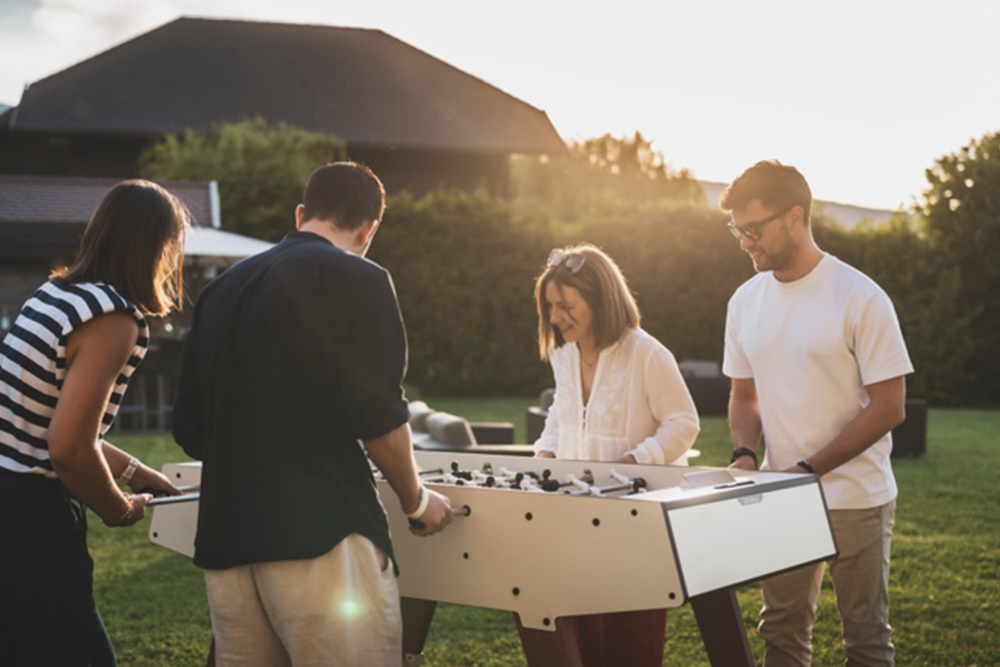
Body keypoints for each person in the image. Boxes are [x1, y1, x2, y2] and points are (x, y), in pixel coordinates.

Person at [172, 161, 453, 667]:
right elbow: (380, 421)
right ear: (369, 229)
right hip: (322, 535)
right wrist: (416, 502)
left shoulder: (219, 291)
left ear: (301, 214)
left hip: (227, 540)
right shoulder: (363, 279)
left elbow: (191, 431)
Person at [721, 160, 911, 667]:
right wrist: (744, 453)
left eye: (754, 229)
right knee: (780, 634)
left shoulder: (860, 297)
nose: (745, 242)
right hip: (783, 495)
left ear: (794, 217)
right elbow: (744, 395)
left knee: (865, 640)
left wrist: (808, 471)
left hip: (857, 498)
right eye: (738, 230)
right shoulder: (744, 302)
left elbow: (890, 406)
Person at [0, 180, 188, 666]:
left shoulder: (56, 292)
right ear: (157, 247)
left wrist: (135, 472)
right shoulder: (113, 319)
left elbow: (42, 420)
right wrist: (116, 507)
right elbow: (67, 447)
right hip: (28, 515)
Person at [532, 243, 700, 667]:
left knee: (631, 641)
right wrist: (546, 449)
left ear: (600, 300)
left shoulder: (646, 352)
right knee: (577, 631)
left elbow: (684, 423)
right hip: (572, 513)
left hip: (635, 520)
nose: (554, 317)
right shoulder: (562, 353)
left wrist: (635, 462)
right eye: (550, 306)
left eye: (565, 305)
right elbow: (561, 409)